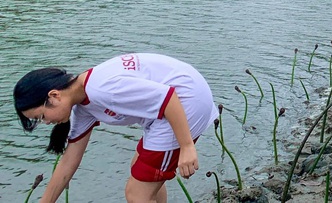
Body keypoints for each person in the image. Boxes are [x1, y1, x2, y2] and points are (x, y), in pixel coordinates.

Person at [14, 53, 217, 203]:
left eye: (41, 116)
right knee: (140, 169)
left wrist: (187, 146)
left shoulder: (102, 89)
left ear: (54, 96)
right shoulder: (84, 105)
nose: (46, 122)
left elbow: (169, 98)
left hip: (186, 102)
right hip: (172, 107)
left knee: (136, 193)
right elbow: (69, 161)